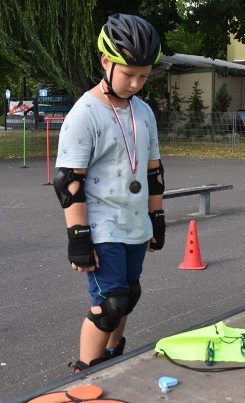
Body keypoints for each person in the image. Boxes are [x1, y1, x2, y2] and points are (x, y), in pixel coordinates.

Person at [54, 13, 166, 372]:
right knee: (111, 303)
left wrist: (156, 217)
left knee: (129, 295)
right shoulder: (84, 114)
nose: (135, 83)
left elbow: (154, 172)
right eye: (128, 73)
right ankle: (85, 373)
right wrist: (78, 237)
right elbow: (69, 182)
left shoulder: (144, 112)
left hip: (133, 222)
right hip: (101, 227)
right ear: (106, 61)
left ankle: (116, 358)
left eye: (143, 76)